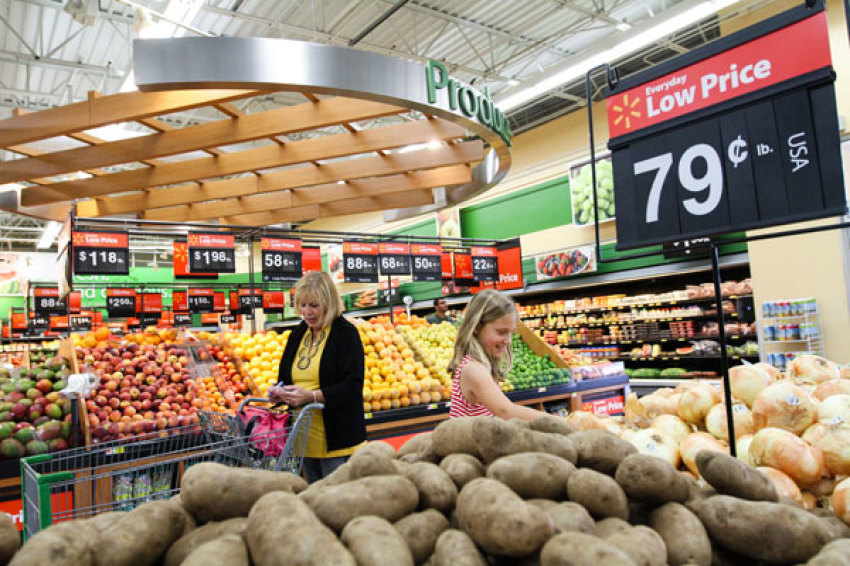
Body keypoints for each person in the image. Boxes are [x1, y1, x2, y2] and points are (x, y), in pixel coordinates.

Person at [269, 271, 366, 482]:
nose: (307, 312)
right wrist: (279, 392)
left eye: (314, 305)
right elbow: (285, 376)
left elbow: (352, 386)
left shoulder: (345, 333)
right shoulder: (298, 333)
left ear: (329, 302)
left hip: (337, 439)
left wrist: (311, 396)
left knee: (336, 503)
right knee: (314, 499)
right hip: (303, 439)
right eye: (302, 305)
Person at [448, 289, 541, 420]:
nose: (508, 341)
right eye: (501, 332)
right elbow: (505, 410)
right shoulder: (473, 369)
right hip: (469, 440)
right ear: (477, 327)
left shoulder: (483, 366)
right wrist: (558, 421)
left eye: (511, 333)